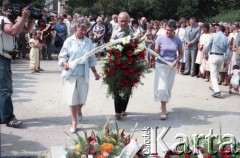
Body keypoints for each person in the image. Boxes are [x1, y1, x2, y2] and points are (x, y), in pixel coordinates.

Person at [58, 18, 100, 133]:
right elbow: (62, 56)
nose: (83, 31)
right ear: (76, 28)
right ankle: (74, 121)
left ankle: (79, 109)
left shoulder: (88, 42)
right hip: (71, 72)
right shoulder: (69, 41)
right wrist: (64, 63)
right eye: (81, 29)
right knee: (72, 97)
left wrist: (95, 72)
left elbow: (91, 59)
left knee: (82, 98)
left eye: (85, 30)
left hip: (83, 72)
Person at [0, 0, 35, 127]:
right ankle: (8, 117)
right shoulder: (2, 19)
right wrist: (24, 17)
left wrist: (31, 19)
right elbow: (13, 31)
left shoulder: (7, 19)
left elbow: (25, 29)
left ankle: (2, 115)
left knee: (3, 89)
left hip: (5, 57)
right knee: (5, 89)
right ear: (7, 8)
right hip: (2, 57)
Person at [154, 20, 183, 120]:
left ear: (174, 31)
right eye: (167, 30)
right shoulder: (160, 38)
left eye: (170, 30)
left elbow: (181, 54)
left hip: (172, 66)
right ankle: (163, 108)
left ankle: (163, 104)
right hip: (161, 65)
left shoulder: (178, 40)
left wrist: (176, 60)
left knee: (168, 87)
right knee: (162, 86)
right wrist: (156, 49)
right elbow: (156, 51)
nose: (168, 32)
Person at [110, 12, 133, 120]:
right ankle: (117, 111)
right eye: (121, 21)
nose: (123, 23)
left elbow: (137, 45)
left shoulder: (132, 31)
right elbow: (110, 46)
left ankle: (123, 108)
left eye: (125, 20)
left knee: (128, 86)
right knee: (117, 86)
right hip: (117, 63)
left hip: (130, 62)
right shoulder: (115, 32)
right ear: (118, 21)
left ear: (128, 21)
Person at [204, 25, 231, 98]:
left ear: (218, 29)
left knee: (213, 74)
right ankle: (213, 87)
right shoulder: (227, 38)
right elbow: (228, 52)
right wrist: (226, 61)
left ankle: (217, 91)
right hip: (221, 56)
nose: (215, 29)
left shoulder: (213, 35)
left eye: (216, 28)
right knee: (216, 73)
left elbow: (207, 45)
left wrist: (205, 54)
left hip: (213, 55)